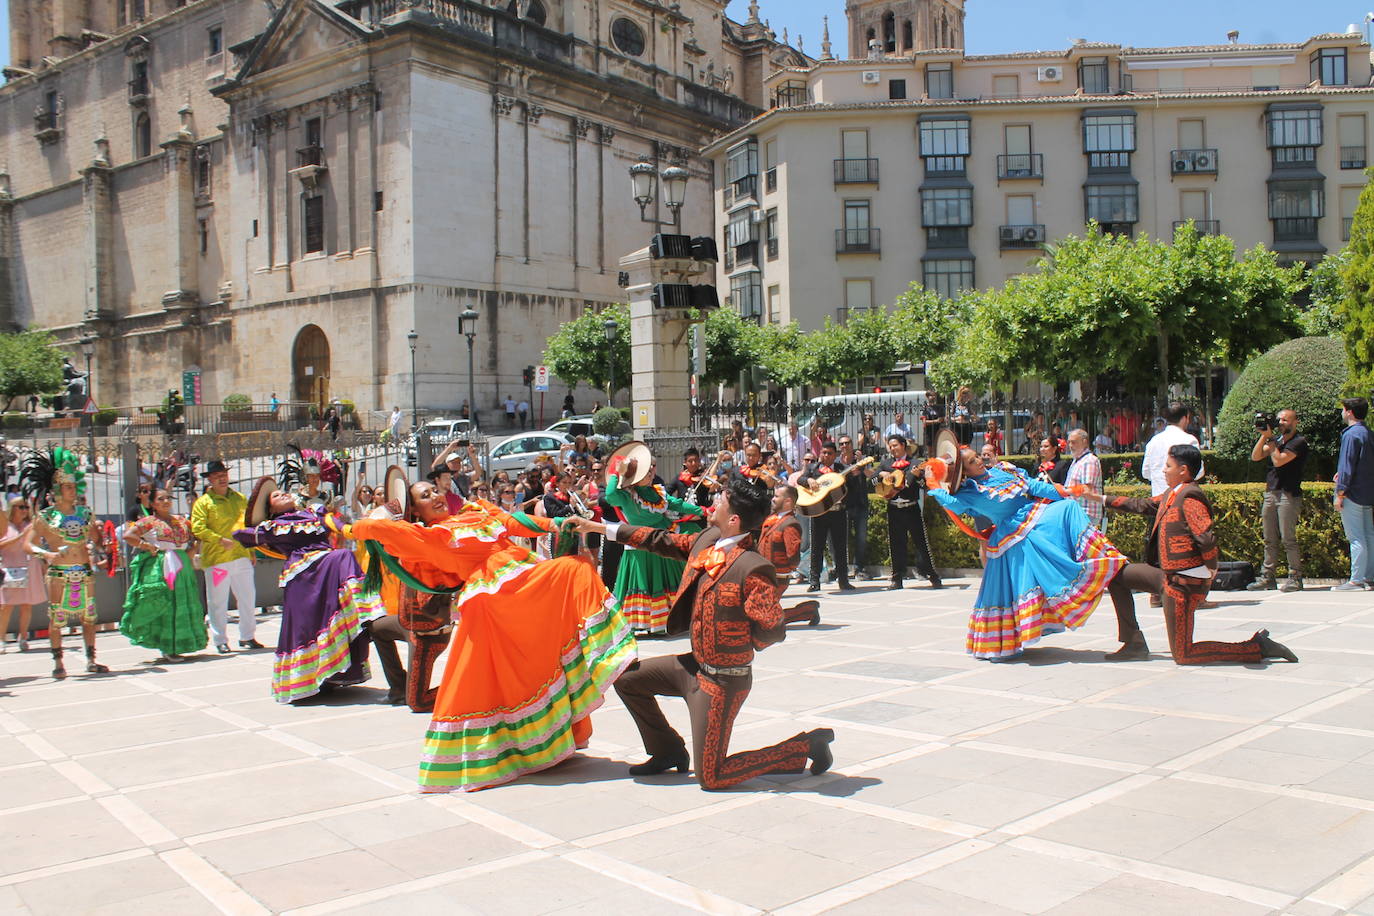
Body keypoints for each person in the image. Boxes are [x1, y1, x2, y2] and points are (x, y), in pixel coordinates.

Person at [348, 481, 634, 792]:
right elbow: (370, 530)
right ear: (415, 510)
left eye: (435, 490)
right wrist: (386, 512)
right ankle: (520, 742)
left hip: (523, 580)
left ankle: (545, 735)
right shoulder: (430, 538)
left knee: (543, 643)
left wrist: (554, 523)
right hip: (490, 602)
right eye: (425, 496)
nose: (436, 496)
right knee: (511, 675)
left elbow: (515, 522)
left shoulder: (476, 511)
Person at [568, 477, 835, 788]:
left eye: (721, 502)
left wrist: (741, 642)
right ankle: (667, 752)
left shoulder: (752, 568)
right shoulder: (707, 539)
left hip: (724, 680)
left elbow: (773, 627)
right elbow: (660, 539)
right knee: (626, 678)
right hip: (693, 666)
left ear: (733, 520)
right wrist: (600, 528)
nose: (714, 505)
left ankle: (804, 747)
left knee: (713, 776)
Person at [1094, 445, 1298, 665]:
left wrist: (1211, 568)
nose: (1163, 470)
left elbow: (1206, 537)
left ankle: (1256, 647)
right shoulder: (1172, 495)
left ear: (1183, 470)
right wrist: (1101, 498)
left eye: (1168, 466)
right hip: (1166, 576)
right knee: (1117, 576)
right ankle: (1134, 643)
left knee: (1184, 655)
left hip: (1184, 583)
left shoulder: (1189, 496)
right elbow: (1142, 505)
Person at [928, 441, 1127, 659]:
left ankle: (1097, 556)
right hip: (1011, 535)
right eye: (973, 461)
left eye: (978, 456)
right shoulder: (970, 492)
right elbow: (952, 504)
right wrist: (933, 483)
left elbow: (1034, 486)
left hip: (1030, 519)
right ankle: (1001, 643)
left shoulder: (1002, 471)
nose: (980, 461)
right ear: (964, 472)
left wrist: (1067, 491)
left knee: (1068, 507)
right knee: (1013, 590)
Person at [234, 478, 385, 703]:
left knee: (341, 566)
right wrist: (264, 535)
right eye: (275, 496)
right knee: (309, 626)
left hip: (328, 568)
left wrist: (363, 528)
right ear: (270, 508)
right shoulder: (272, 526)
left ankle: (335, 675)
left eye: (283, 492)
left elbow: (339, 526)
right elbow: (240, 535)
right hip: (303, 576)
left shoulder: (313, 513)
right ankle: (307, 680)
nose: (282, 494)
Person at [19, 448, 108, 677]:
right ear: (56, 490)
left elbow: (97, 542)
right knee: (57, 617)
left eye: (73, 486)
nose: (73, 491)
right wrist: (45, 554)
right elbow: (28, 545)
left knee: (89, 616)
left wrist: (104, 547)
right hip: (59, 572)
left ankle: (91, 660)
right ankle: (58, 663)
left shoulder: (86, 514)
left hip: (85, 570)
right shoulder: (45, 517)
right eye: (68, 487)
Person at [603, 442, 707, 635]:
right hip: (640, 544)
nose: (651, 472)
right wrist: (617, 473)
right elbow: (609, 496)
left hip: (663, 541)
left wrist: (702, 510)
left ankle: (669, 620)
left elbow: (676, 504)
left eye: (651, 469)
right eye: (645, 471)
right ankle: (643, 623)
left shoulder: (657, 491)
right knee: (643, 583)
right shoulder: (627, 496)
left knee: (668, 581)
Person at [119, 489, 208, 663]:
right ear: (152, 503)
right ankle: (168, 646)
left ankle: (181, 643)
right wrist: (147, 546)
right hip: (163, 565)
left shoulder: (181, 521)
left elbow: (197, 535)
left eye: (168, 498)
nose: (166, 501)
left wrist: (193, 549)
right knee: (167, 603)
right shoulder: (149, 522)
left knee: (183, 601)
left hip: (182, 565)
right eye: (161, 499)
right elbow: (128, 535)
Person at [190, 459, 261, 654]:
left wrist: (251, 550)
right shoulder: (203, 503)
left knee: (248, 597)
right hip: (218, 560)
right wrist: (219, 539)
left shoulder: (238, 498)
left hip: (240, 555)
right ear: (210, 480)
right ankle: (220, 639)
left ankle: (247, 635)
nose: (222, 479)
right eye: (217, 476)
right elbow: (197, 528)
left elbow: (248, 524)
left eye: (224, 475)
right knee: (217, 601)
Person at [1248, 409, 1308, 592]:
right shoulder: (1278, 440)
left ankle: (1295, 577)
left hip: (1288, 494)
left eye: (1285, 419)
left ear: (1295, 422)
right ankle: (1268, 576)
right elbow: (1256, 456)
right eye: (1279, 419)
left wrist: (1272, 441)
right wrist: (1264, 436)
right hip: (1271, 493)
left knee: (1288, 538)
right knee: (1269, 538)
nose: (1281, 422)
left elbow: (1279, 460)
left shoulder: (1299, 442)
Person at [877, 435, 940, 589]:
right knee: (896, 544)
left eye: (896, 445)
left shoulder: (915, 463)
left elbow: (923, 484)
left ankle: (933, 575)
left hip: (911, 507)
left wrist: (917, 477)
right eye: (890, 446)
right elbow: (873, 479)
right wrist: (881, 475)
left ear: (904, 445)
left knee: (921, 542)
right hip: (893, 508)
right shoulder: (886, 464)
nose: (893, 449)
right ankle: (897, 578)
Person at [758, 484, 820, 626]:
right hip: (764, 576)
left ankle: (809, 610)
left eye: (776, 496)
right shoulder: (772, 519)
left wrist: (784, 571)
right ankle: (808, 610)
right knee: (759, 614)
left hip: (777, 578)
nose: (772, 499)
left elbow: (793, 556)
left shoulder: (790, 523)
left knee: (765, 619)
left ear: (787, 502)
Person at [799, 441, 855, 593]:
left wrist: (853, 477)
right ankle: (814, 581)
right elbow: (800, 480)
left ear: (835, 455)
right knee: (817, 547)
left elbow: (852, 488)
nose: (826, 456)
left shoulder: (841, 469)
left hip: (838, 512)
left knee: (840, 547)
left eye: (829, 453)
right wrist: (808, 480)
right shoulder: (813, 468)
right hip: (819, 513)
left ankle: (843, 580)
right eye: (823, 453)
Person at [1335, 397, 1374, 591]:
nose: (1342, 412)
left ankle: (1356, 580)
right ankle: (1369, 577)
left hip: (1352, 493)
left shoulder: (1351, 435)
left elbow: (1347, 466)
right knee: (1368, 535)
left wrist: (1340, 493)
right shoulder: (1367, 432)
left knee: (1356, 537)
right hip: (1367, 492)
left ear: (1349, 411)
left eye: (1343, 409)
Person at [1, 495, 44, 653]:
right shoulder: (6, 526)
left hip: (28, 566)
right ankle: (1, 639)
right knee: (6, 606)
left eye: (26, 507)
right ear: (13, 509)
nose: (25, 510)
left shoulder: (30, 525)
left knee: (26, 605)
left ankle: (23, 637)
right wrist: (19, 537)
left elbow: (37, 544)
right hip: (10, 567)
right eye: (21, 507)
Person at [1141, 403, 1199, 497]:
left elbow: (1146, 473)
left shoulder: (1154, 441)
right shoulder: (1190, 440)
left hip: (1158, 500)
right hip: (1182, 498)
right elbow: (1199, 472)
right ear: (1186, 418)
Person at [837, 434, 875, 579]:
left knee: (860, 539)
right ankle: (842, 569)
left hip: (860, 505)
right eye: (841, 444)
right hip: (844, 506)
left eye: (847, 443)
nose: (844, 446)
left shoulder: (861, 459)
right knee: (842, 540)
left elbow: (873, 476)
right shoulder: (837, 463)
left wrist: (861, 465)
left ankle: (859, 568)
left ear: (852, 444)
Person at [1064, 429, 1105, 531]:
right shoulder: (1077, 460)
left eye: (1074, 442)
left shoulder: (1089, 461)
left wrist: (1065, 491)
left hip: (1086, 514)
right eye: (1069, 442)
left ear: (1084, 442)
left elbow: (1086, 488)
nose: (1070, 445)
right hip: (1078, 513)